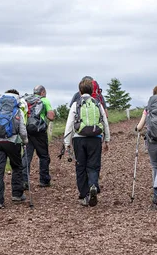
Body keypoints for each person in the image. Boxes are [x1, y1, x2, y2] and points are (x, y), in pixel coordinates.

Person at [64, 77, 110, 206]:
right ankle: (93, 185)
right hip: (95, 138)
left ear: (79, 91)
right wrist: (107, 139)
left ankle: (84, 195)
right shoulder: (97, 103)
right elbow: (104, 121)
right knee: (93, 165)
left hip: (79, 139)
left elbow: (69, 124)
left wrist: (67, 142)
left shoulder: (76, 104)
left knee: (80, 167)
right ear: (92, 90)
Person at [0, 89, 28, 209]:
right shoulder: (18, 111)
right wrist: (25, 141)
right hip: (12, 142)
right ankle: (16, 194)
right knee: (16, 167)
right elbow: (22, 130)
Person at [22, 85, 55, 188]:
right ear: (43, 92)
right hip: (39, 131)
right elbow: (51, 117)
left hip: (27, 130)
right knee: (43, 156)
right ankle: (44, 180)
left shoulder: (26, 100)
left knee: (27, 156)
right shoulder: (44, 100)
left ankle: (24, 181)